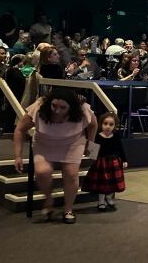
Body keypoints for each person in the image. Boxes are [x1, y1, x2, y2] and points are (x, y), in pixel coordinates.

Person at [13, 87, 98, 223]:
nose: (57, 110)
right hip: (44, 143)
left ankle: (68, 209)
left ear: (71, 107)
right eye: (54, 105)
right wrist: (17, 155)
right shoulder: (40, 107)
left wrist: (91, 144)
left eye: (62, 107)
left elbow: (93, 124)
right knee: (42, 172)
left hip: (73, 143)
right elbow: (19, 130)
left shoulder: (82, 109)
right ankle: (48, 200)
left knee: (71, 174)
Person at [82, 112, 127, 212]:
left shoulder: (115, 136)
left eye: (111, 124)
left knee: (112, 183)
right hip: (100, 163)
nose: (108, 126)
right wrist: (91, 158)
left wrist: (124, 160)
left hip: (113, 163)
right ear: (101, 124)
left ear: (115, 126)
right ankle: (101, 201)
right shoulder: (97, 136)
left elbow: (120, 149)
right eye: (105, 123)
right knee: (102, 183)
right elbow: (91, 151)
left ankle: (109, 198)